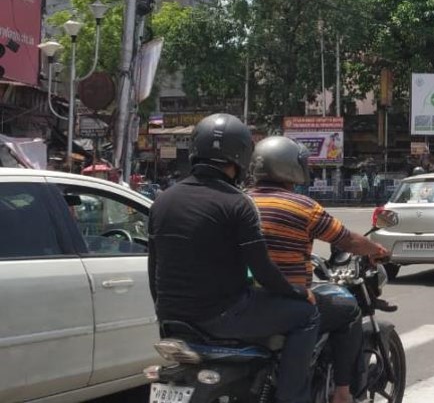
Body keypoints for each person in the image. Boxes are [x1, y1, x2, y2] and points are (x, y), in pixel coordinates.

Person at [148, 114, 319, 403]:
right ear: (240, 156)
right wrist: (298, 292)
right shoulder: (237, 203)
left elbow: (154, 267)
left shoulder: (163, 200)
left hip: (172, 319)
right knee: (306, 316)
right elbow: (262, 268)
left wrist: (163, 311)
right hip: (221, 316)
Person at [248, 136, 390, 403]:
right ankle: (343, 392)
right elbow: (346, 239)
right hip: (288, 299)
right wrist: (376, 250)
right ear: (291, 168)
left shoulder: (240, 201)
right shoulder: (302, 206)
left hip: (246, 300)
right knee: (348, 309)